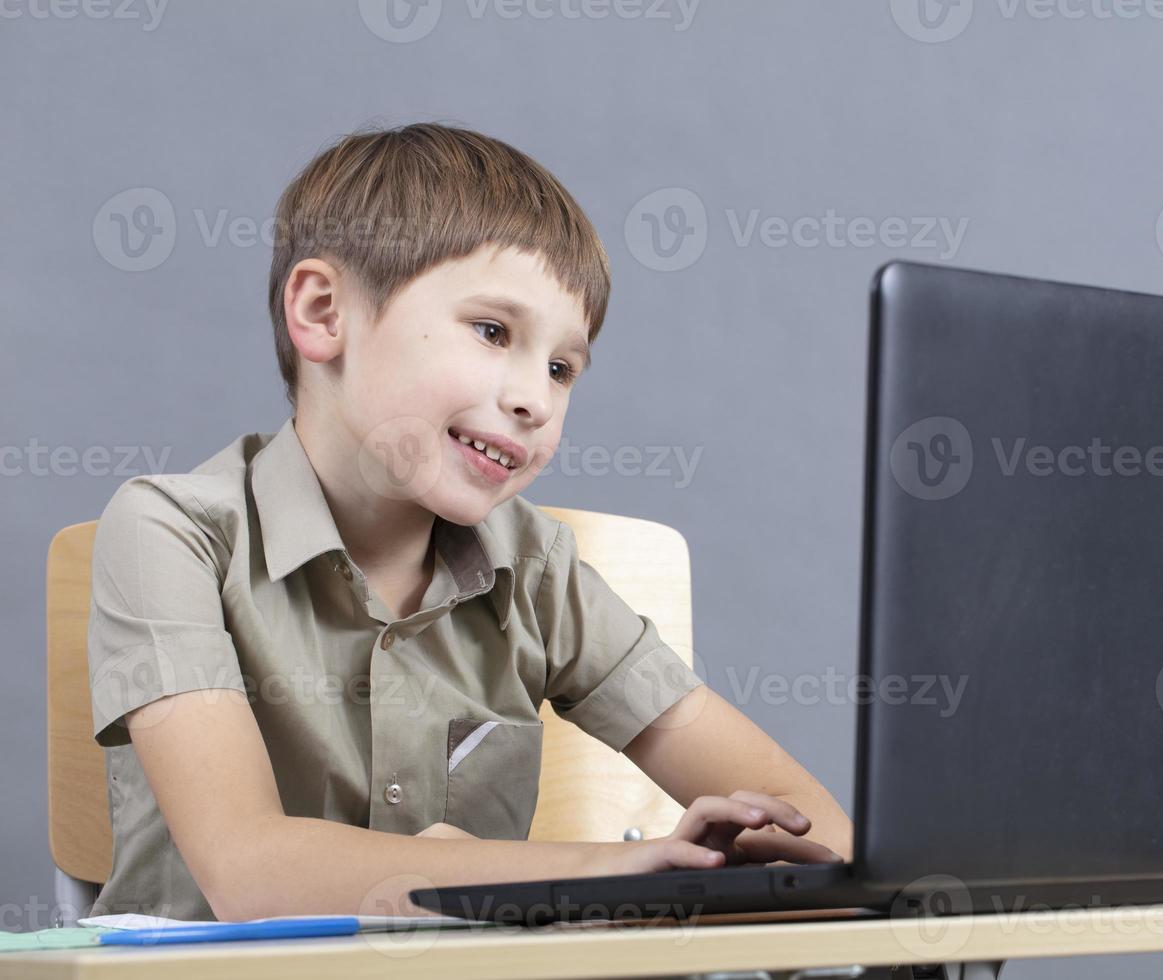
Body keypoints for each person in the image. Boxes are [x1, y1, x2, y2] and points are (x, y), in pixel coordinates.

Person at [86, 121, 852, 922]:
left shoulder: (537, 568)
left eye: (562, 369)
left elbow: (817, 822)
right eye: (493, 332)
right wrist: (615, 872)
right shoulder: (173, 534)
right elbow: (248, 871)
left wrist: (750, 864)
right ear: (322, 313)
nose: (535, 399)